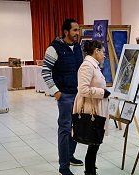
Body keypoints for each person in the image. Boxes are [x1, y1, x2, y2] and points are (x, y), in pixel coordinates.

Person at [42, 19, 83, 175]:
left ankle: (70, 155)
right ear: (66, 32)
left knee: (77, 127)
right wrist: (56, 92)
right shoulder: (54, 48)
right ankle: (63, 166)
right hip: (65, 95)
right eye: (74, 30)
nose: (77, 33)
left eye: (78, 30)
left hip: (79, 93)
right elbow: (45, 72)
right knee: (65, 129)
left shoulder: (78, 47)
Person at [73, 40, 111, 175]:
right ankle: (89, 170)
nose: (104, 55)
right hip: (90, 108)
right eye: (103, 52)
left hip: (95, 105)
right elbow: (82, 89)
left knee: (95, 141)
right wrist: (102, 93)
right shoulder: (87, 66)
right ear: (96, 51)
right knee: (94, 139)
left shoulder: (93, 65)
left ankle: (90, 168)